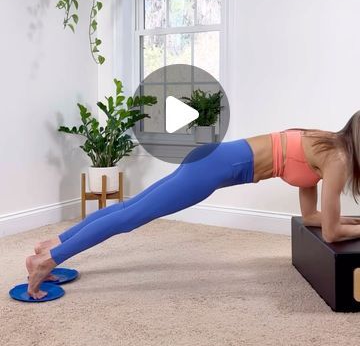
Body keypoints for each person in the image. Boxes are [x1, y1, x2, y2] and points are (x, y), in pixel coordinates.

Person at [26, 112, 360, 299]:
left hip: (212, 158)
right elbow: (331, 233)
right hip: (212, 170)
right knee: (131, 217)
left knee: (129, 208)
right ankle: (47, 262)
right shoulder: (338, 160)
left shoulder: (324, 142)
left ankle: (52, 245)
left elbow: (313, 217)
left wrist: (354, 223)